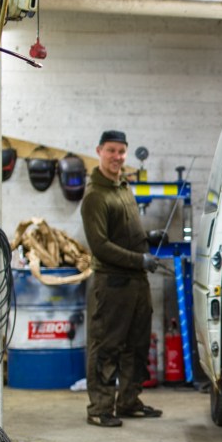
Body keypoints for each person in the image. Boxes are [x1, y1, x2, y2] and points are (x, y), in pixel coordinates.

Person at [80, 130, 162, 426]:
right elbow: (100, 245)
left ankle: (128, 401)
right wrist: (139, 259)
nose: (117, 157)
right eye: (111, 150)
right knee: (107, 346)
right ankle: (100, 409)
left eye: (121, 151)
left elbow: (124, 231)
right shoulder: (95, 196)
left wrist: (148, 238)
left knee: (136, 345)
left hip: (137, 282)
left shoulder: (124, 186)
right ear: (99, 151)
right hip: (112, 283)